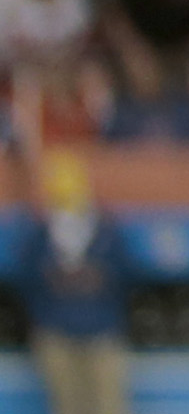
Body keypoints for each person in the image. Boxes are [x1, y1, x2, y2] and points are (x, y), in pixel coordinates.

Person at [22, 147, 132, 414]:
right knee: (67, 406)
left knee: (109, 405)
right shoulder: (41, 234)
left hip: (101, 330)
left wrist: (93, 278)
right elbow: (28, 278)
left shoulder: (105, 230)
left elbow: (125, 275)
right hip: (57, 332)